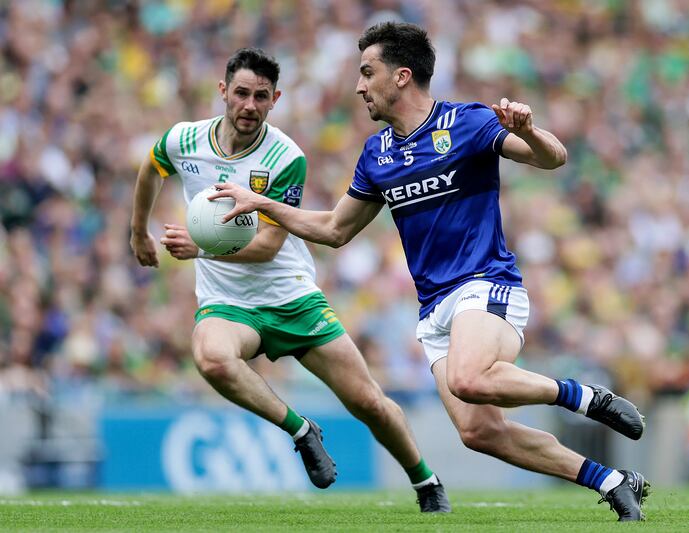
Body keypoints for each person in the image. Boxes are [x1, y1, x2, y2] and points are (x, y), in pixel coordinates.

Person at [210, 23, 650, 521]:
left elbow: (554, 158)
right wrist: (262, 204)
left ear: (401, 76)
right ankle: (612, 480)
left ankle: (585, 396)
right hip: (434, 306)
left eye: (366, 72)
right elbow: (334, 229)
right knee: (479, 433)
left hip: (486, 283)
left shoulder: (467, 122)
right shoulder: (377, 154)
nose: (359, 86)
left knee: (469, 378)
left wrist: (527, 130)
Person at [129, 47, 450, 512]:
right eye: (241, 93)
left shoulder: (286, 157)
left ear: (275, 99)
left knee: (368, 403)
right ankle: (301, 430)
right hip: (228, 302)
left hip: (291, 297)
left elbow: (265, 246)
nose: (249, 106)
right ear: (223, 91)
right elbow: (151, 168)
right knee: (212, 359)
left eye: (261, 96)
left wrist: (199, 248)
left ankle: (426, 482)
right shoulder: (184, 139)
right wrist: (138, 231)